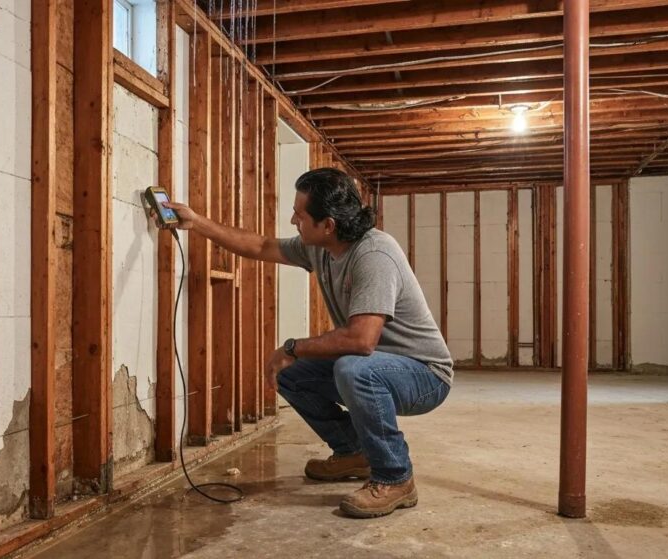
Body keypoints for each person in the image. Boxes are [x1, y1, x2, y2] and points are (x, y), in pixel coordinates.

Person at [163, 168, 453, 518]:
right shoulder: (322, 247)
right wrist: (196, 222)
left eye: (300, 215)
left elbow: (361, 340)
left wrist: (291, 346)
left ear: (328, 224)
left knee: (352, 367)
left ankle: (395, 477)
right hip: (377, 363)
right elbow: (261, 245)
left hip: (424, 375)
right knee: (293, 373)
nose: (292, 220)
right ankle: (353, 453)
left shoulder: (375, 254)